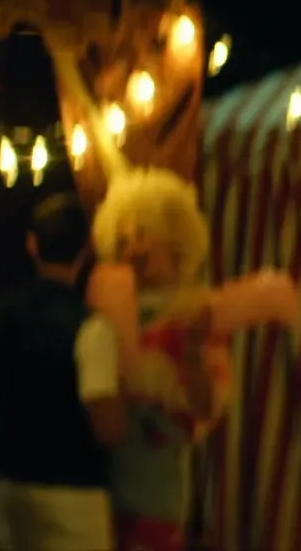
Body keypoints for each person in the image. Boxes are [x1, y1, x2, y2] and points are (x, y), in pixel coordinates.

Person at [88, 168, 233, 551]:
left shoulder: (193, 314)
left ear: (174, 241)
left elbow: (208, 408)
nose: (132, 250)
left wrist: (190, 359)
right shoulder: (110, 314)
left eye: (142, 235)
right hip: (102, 491)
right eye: (122, 241)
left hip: (157, 495)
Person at [0, 192, 125, 550]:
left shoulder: (0, 315)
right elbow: (107, 426)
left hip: (13, 488)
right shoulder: (91, 328)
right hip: (74, 497)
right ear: (86, 250)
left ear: (32, 244)